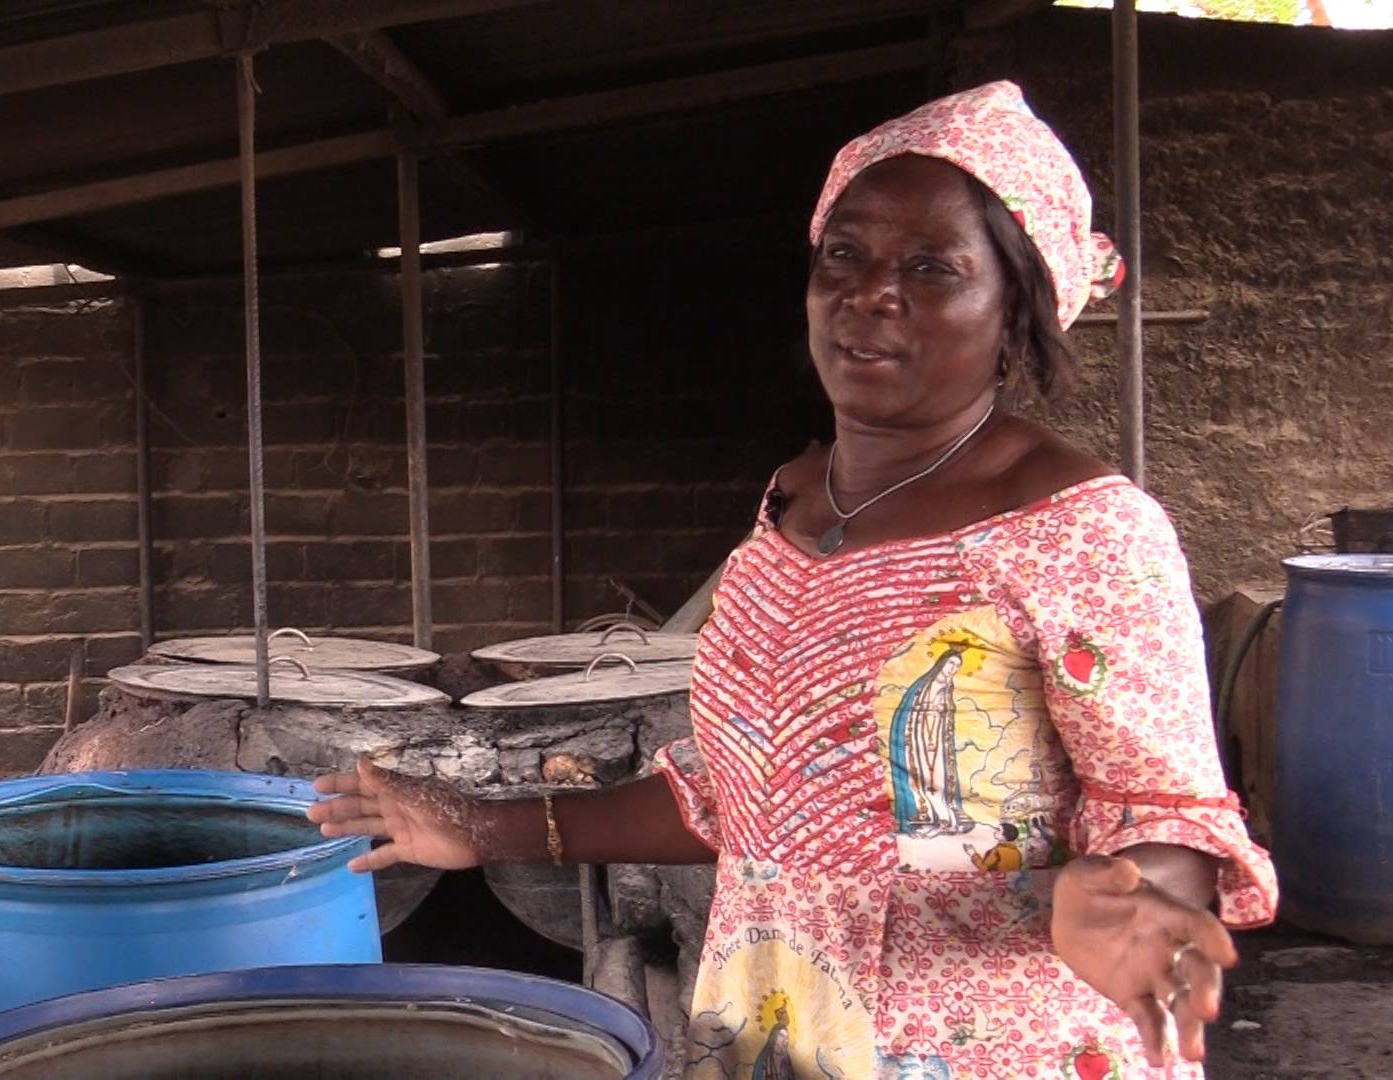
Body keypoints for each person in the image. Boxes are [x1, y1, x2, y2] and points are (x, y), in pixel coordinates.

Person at [309, 81, 1277, 1079]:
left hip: (985, 1050)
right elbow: (746, 797)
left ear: (1016, 307)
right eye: (844, 254)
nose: (871, 293)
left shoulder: (1080, 528)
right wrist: (479, 827)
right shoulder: (791, 503)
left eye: (932, 267)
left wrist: (1126, 899)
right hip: (774, 1033)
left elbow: (1171, 818)